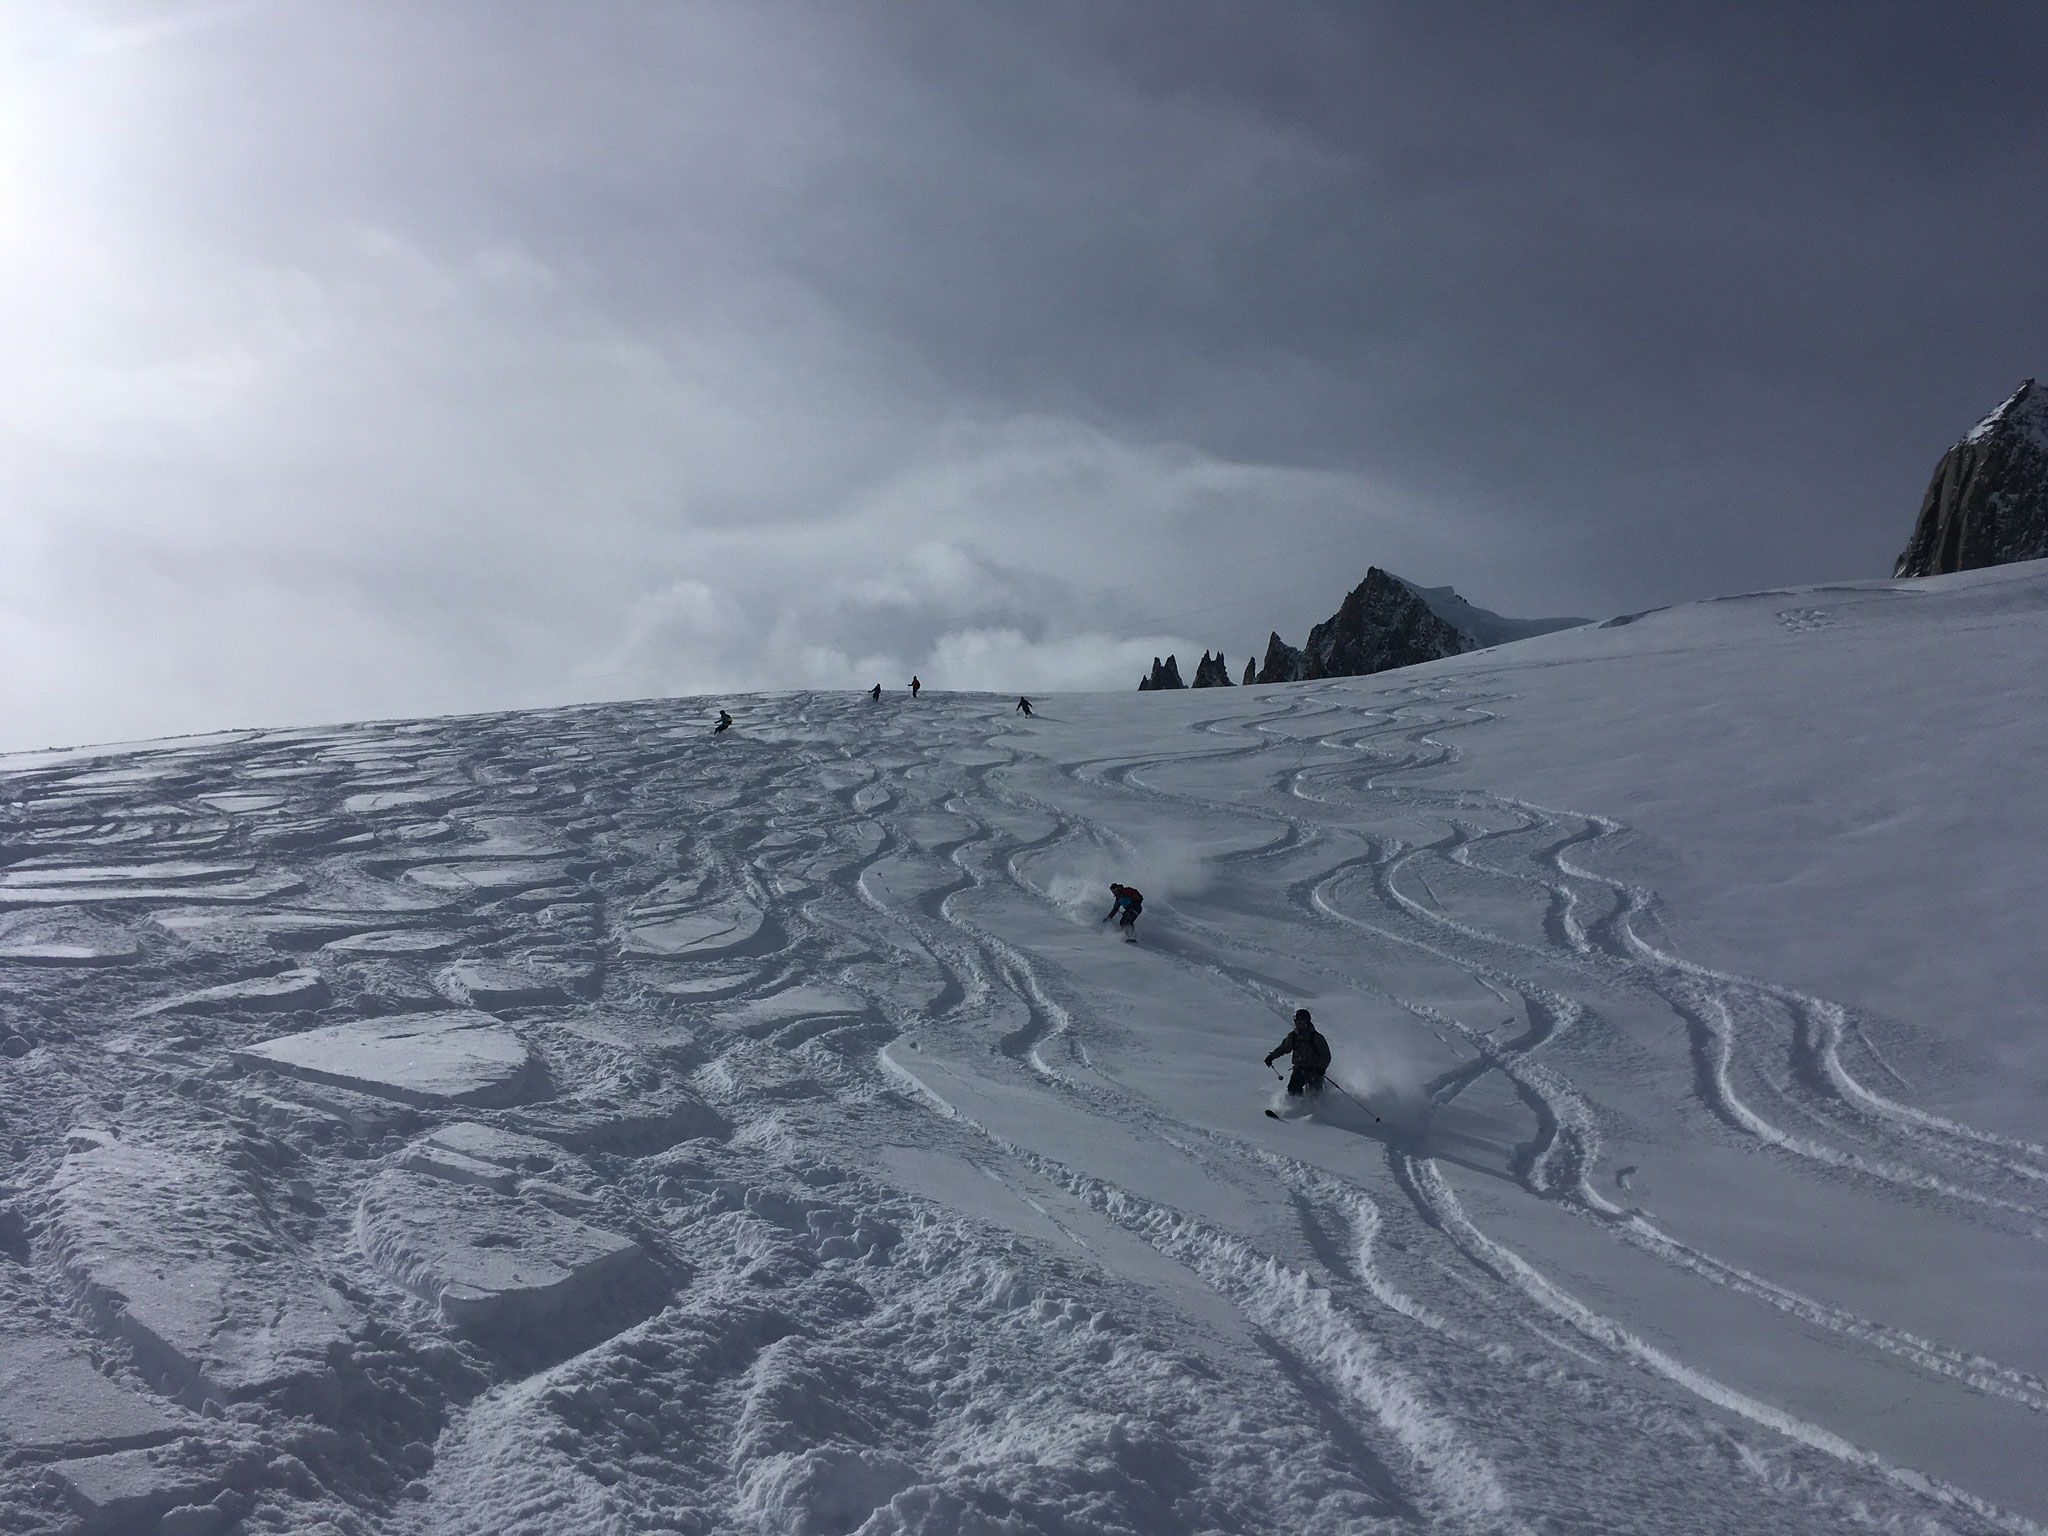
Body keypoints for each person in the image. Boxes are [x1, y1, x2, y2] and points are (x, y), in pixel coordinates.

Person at [1264, 1009, 1331, 1096]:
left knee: (1315, 1094)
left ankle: (1318, 1107)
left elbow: (1326, 1056)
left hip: (1315, 1070)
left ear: (1307, 1022)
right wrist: (1271, 1057)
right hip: (1299, 1069)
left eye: (1302, 1023)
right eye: (1297, 1023)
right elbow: (1283, 1048)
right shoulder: (1293, 1037)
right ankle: (1296, 1107)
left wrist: (1321, 1068)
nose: (1299, 1025)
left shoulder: (1316, 1037)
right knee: (1293, 1088)